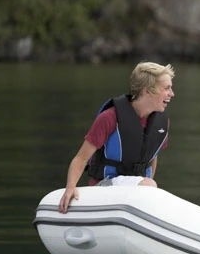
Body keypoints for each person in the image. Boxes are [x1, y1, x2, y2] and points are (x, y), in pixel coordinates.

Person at [57, 62, 175, 213]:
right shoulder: (110, 118)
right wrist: (70, 188)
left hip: (139, 187)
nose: (172, 93)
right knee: (149, 185)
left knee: (150, 186)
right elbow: (81, 158)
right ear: (147, 91)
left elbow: (152, 156)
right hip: (104, 185)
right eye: (166, 88)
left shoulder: (162, 122)